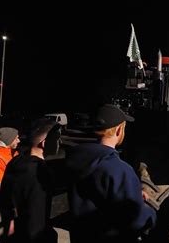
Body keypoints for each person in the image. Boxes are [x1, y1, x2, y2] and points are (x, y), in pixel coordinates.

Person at [65, 104, 156, 242]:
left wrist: (131, 191)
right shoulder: (119, 170)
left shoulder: (77, 159)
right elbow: (137, 220)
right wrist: (150, 212)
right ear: (119, 130)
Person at [0, 119, 58, 242]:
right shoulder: (40, 172)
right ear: (44, 143)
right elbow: (37, 221)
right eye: (57, 139)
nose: (60, 142)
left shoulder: (14, 162)